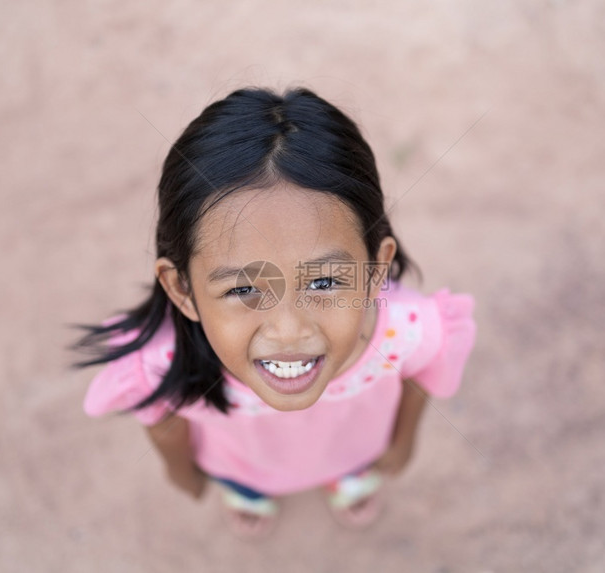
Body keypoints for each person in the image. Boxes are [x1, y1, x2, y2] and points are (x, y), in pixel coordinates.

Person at [69, 87, 477, 539]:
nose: (289, 331)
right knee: (244, 485)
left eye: (324, 283)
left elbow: (421, 377)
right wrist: (181, 471)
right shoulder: (158, 362)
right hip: (241, 466)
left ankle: (348, 480)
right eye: (243, 288)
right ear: (182, 289)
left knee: (356, 468)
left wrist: (402, 443)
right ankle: (250, 494)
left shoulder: (410, 331)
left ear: (376, 268)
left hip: (354, 448)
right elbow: (165, 425)